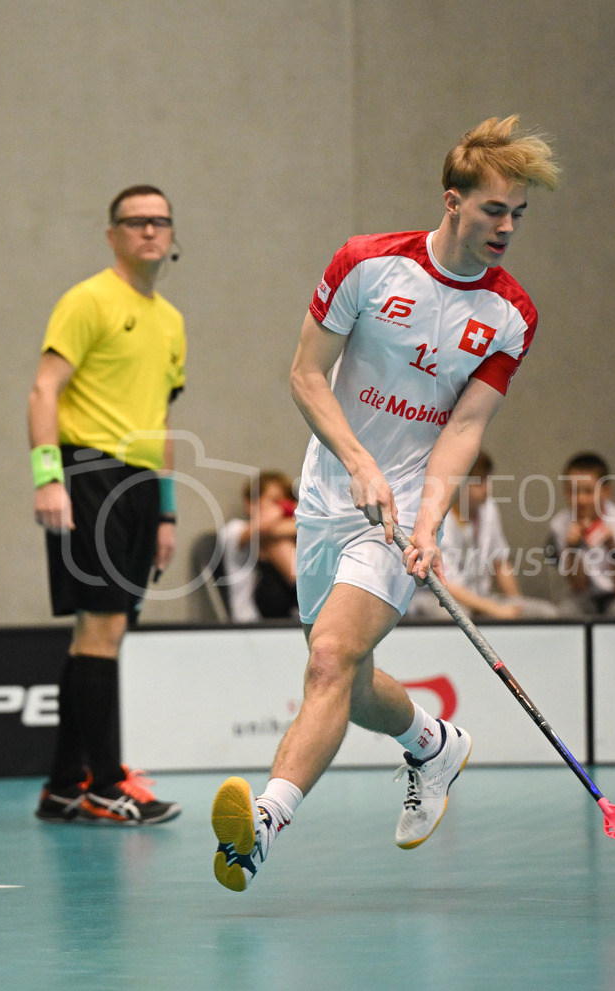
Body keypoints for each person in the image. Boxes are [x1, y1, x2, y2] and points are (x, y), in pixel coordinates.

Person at [211, 115, 560, 891]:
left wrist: (428, 520)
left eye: (519, 215)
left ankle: (263, 822)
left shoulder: (511, 315)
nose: (507, 227)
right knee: (346, 675)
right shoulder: (366, 265)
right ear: (453, 201)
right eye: (495, 209)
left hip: (399, 508)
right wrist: (357, 460)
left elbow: (466, 424)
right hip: (330, 489)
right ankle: (434, 743)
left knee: (330, 658)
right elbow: (306, 376)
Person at [28, 185, 185, 825]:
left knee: (104, 633)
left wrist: (167, 511)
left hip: (141, 487)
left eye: (160, 222)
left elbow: (162, 420)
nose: (149, 231)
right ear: (113, 234)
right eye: (135, 222)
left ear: (173, 235)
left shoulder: (171, 321)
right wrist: (47, 477)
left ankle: (66, 784)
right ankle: (105, 785)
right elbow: (44, 388)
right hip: (89, 471)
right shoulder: (88, 300)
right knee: (103, 629)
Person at [407, 450, 557, 620]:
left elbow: (500, 564)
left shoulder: (489, 509)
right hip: (436, 598)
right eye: (480, 482)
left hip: (480, 599)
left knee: (545, 613)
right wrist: (493, 609)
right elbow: (444, 585)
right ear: (459, 483)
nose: (487, 488)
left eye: (488, 479)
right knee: (453, 615)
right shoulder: (436, 517)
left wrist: (517, 607)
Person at [547, 452, 615, 618]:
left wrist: (612, 546)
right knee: (566, 612)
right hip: (587, 597)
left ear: (606, 491)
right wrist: (572, 549)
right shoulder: (560, 525)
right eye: (574, 491)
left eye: (589, 491)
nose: (581, 499)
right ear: (565, 491)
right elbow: (579, 587)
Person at [219, 470, 298, 622]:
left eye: (286, 501)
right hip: (250, 618)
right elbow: (266, 528)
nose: (282, 506)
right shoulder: (234, 529)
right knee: (276, 542)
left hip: (287, 614)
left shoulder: (291, 533)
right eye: (275, 500)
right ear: (250, 504)